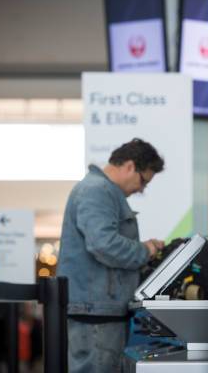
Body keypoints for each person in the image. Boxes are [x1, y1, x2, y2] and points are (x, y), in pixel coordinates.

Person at [57, 138, 165, 373]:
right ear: (129, 166)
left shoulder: (99, 191)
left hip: (100, 309)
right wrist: (145, 250)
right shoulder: (97, 191)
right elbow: (103, 244)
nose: (141, 189)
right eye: (143, 180)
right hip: (97, 312)